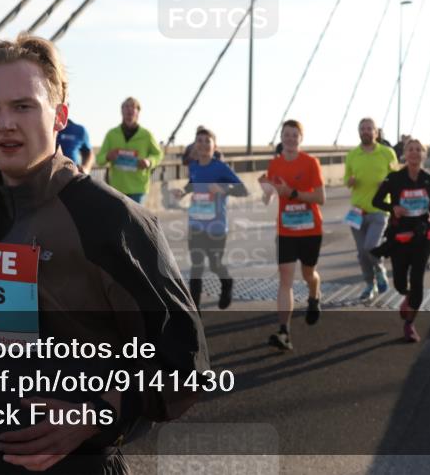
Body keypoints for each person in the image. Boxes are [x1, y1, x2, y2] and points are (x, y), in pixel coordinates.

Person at [0, 36, 207, 473]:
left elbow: (183, 362)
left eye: (23, 106)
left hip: (73, 463)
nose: (5, 124)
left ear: (60, 116)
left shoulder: (112, 222)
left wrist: (97, 413)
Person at [260, 120, 325, 351]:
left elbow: (320, 198)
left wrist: (292, 193)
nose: (290, 138)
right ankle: (284, 332)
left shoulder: (310, 163)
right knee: (285, 280)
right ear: (281, 137)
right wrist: (266, 191)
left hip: (310, 230)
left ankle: (314, 295)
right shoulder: (274, 164)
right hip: (286, 230)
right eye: (286, 134)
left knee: (308, 274)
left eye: (294, 135)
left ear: (301, 138)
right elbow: (268, 199)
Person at [369, 138, 430, 342]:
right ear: (404, 154)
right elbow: (376, 201)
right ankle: (407, 295)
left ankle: (409, 324)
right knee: (400, 283)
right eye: (410, 149)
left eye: (419, 149)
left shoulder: (429, 180)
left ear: (424, 154)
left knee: (417, 281)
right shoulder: (394, 178)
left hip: (422, 236)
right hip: (399, 237)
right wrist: (393, 208)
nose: (414, 152)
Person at [171, 127, 248, 310]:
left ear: (215, 146)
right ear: (195, 145)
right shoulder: (193, 166)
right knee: (196, 267)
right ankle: (194, 311)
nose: (203, 144)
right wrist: (183, 191)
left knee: (215, 265)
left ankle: (227, 283)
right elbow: (193, 183)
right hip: (196, 224)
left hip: (216, 227)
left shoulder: (220, 168)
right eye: (200, 141)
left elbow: (243, 190)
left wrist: (223, 190)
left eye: (207, 141)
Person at [343, 117, 398, 302]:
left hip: (379, 210)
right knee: (361, 254)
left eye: (369, 128)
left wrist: (387, 183)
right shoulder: (352, 155)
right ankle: (369, 284)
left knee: (370, 248)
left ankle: (380, 270)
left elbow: (396, 178)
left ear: (376, 132)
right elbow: (346, 179)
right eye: (362, 129)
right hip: (357, 211)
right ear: (359, 132)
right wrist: (349, 181)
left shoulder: (387, 153)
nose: (365, 131)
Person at [97, 97, 164, 204]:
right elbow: (99, 159)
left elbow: (158, 154)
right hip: (117, 188)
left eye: (133, 107)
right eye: (126, 106)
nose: (129, 109)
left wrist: (149, 161)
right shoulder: (112, 134)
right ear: (121, 111)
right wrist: (108, 156)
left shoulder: (146, 135)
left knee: (134, 216)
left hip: (138, 188)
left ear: (138, 112)